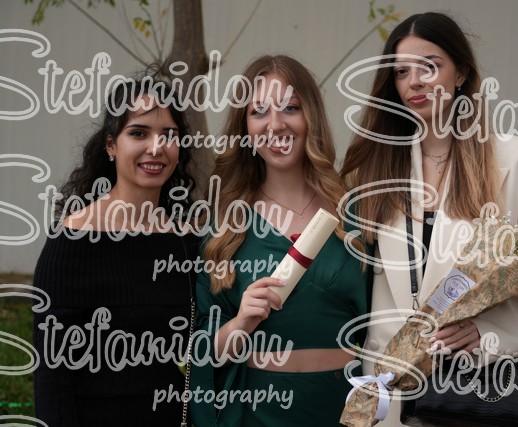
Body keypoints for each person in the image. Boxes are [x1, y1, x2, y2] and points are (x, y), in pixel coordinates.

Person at [340, 12, 518, 427]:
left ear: (461, 73)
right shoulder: (372, 173)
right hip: (393, 394)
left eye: (429, 66)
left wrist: (488, 332)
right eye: (401, 72)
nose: (414, 82)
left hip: (488, 393)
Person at [190, 55, 369, 427]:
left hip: (344, 410)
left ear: (311, 117)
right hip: (258, 411)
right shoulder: (226, 226)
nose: (275, 124)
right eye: (259, 112)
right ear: (244, 127)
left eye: (290, 107)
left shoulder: (354, 214)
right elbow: (203, 351)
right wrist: (240, 322)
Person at [32, 75, 199, 426]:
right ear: (111, 145)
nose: (156, 148)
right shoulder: (72, 240)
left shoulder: (186, 241)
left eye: (168, 135)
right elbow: (52, 376)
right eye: (138, 133)